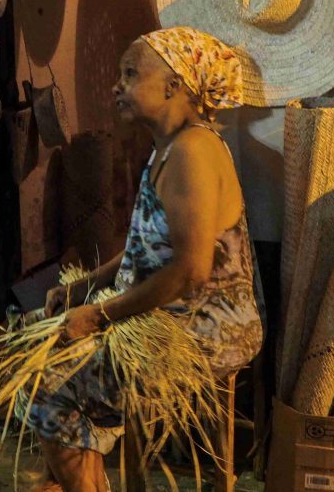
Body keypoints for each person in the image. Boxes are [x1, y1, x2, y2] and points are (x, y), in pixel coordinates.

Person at [22, 26, 264, 492]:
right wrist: (81, 288)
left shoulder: (194, 153)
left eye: (131, 74)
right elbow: (143, 250)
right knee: (40, 337)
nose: (118, 85)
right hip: (172, 309)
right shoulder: (168, 148)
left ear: (174, 86)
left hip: (206, 324)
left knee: (49, 385)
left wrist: (97, 315)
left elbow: (190, 275)